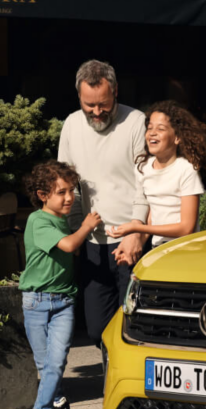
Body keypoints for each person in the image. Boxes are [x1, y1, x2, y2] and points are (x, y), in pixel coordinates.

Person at [58, 58, 146, 335]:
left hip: (130, 239)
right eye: (89, 105)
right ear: (79, 97)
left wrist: (138, 231)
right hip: (92, 242)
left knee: (131, 328)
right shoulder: (72, 124)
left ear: (115, 91)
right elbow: (66, 184)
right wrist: (75, 232)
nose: (96, 111)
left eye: (103, 104)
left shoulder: (136, 121)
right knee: (97, 329)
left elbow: (147, 182)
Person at [19, 160, 102, 409]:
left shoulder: (62, 220)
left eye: (72, 191)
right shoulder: (38, 220)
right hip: (37, 303)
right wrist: (87, 226)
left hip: (64, 302)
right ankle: (53, 408)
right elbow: (67, 245)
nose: (69, 198)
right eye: (62, 192)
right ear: (43, 195)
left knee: (55, 363)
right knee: (48, 366)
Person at [107, 101, 206, 247]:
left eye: (161, 129)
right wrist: (135, 243)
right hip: (158, 249)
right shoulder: (143, 168)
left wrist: (136, 227)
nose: (152, 133)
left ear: (177, 137)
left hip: (185, 251)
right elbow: (152, 218)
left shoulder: (186, 171)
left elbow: (187, 228)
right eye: (149, 128)